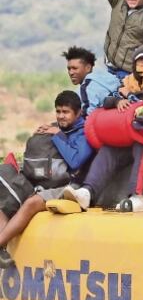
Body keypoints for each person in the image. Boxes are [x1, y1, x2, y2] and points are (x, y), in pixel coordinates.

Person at [61, 43, 143, 213]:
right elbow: (109, 99)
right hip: (134, 133)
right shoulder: (131, 81)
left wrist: (131, 96)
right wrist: (118, 101)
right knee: (110, 149)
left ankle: (140, 196)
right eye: (140, 60)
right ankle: (88, 191)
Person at [0, 90, 96, 268]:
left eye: (65, 112)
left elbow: (76, 162)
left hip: (71, 186)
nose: (61, 116)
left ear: (78, 113)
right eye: (58, 112)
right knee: (4, 192)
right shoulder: (55, 127)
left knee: (31, 203)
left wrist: (58, 135)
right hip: (44, 182)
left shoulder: (85, 133)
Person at [63, 45, 119, 117]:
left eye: (75, 68)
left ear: (88, 68)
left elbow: (88, 116)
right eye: (69, 69)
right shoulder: (108, 77)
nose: (71, 72)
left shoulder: (86, 87)